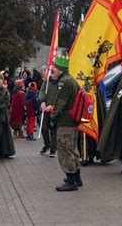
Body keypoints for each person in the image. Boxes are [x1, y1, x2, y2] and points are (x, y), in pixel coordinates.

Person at [46, 56, 81, 192]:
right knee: (73, 149)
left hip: (65, 122)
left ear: (61, 69)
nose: (53, 70)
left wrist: (53, 117)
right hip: (72, 122)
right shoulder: (72, 80)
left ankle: (71, 181)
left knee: (64, 150)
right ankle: (77, 178)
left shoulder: (64, 82)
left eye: (55, 67)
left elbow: (60, 103)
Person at [39, 70, 59, 157]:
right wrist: (42, 101)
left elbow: (61, 97)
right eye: (53, 73)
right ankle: (47, 144)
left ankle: (53, 148)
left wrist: (53, 106)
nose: (53, 75)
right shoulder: (46, 82)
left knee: (53, 130)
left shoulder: (60, 83)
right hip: (45, 109)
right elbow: (42, 91)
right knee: (43, 128)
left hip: (55, 110)